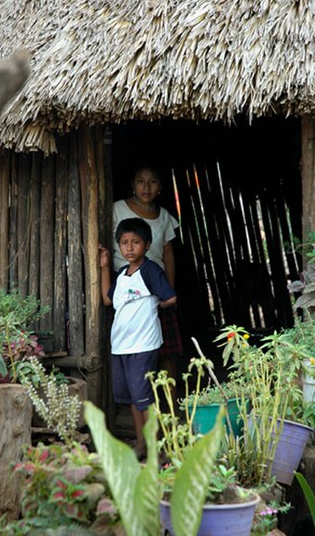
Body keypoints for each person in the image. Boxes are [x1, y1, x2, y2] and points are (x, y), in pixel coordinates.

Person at [100, 217, 177, 460]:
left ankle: (154, 448)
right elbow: (107, 300)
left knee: (144, 399)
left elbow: (170, 297)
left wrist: (154, 306)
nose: (129, 247)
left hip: (143, 345)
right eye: (124, 243)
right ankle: (141, 445)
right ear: (119, 247)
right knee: (134, 399)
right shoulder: (122, 274)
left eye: (135, 242)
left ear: (147, 244)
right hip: (121, 346)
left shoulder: (152, 270)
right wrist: (104, 267)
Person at [112, 165, 183, 391]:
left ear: (160, 187)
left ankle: (170, 403)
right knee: (129, 346)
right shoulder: (117, 210)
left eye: (152, 181)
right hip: (126, 285)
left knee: (166, 349)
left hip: (155, 283)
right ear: (132, 184)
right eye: (141, 181)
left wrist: (168, 289)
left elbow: (168, 254)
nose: (146, 187)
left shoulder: (164, 217)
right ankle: (134, 399)